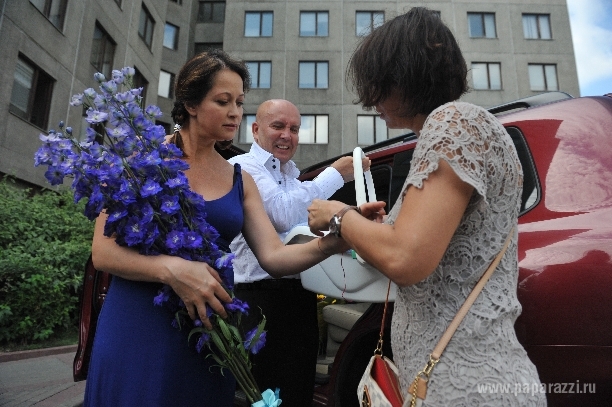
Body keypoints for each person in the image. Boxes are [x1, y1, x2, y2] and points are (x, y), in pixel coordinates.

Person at [307, 8, 546, 406]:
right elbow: (420, 248)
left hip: (465, 383)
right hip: (451, 377)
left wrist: (339, 215)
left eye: (377, 84)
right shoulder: (458, 128)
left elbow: (406, 258)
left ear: (402, 74)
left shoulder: (452, 123)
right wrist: (379, 230)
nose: (372, 101)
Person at [84, 50, 348, 407]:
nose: (235, 112)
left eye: (239, 102)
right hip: (139, 327)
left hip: (210, 334)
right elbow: (103, 252)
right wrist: (173, 269)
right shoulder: (141, 162)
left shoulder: (240, 178)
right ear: (191, 104)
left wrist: (334, 241)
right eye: (222, 101)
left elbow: (274, 257)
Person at [228, 99, 368, 406]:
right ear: (255, 129)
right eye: (278, 126)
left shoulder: (291, 176)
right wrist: (335, 174)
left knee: (297, 393)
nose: (287, 135)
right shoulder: (243, 167)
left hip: (298, 297)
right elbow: (283, 212)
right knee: (266, 397)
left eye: (294, 128)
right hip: (259, 300)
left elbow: (300, 227)